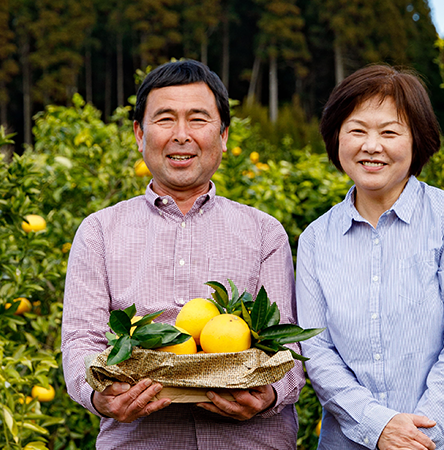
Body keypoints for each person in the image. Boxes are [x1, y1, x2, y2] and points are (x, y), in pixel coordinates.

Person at [61, 59, 305, 450]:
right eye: (165, 119)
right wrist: (98, 395)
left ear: (223, 135)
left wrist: (269, 395)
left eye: (197, 119)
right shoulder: (100, 231)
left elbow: (289, 346)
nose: (181, 135)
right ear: (139, 134)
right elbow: (80, 340)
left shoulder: (264, 232)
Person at [296, 64, 444, 450]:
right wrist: (378, 426)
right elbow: (317, 352)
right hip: (352, 440)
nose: (372, 146)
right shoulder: (317, 239)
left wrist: (416, 437)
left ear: (417, 140)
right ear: (336, 136)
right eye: (357, 130)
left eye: (389, 132)